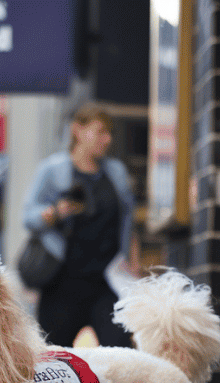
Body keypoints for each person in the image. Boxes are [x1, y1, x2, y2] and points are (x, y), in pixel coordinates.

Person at [23, 103, 138, 348]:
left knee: (122, 352)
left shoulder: (116, 172)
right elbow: (29, 217)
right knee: (51, 357)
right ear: (77, 130)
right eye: (100, 132)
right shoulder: (53, 170)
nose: (106, 140)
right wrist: (55, 212)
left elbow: (129, 218)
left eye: (110, 134)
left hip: (107, 281)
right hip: (62, 283)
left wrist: (132, 260)